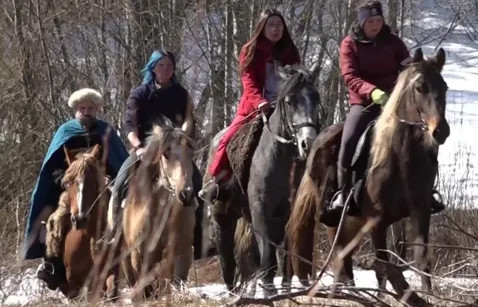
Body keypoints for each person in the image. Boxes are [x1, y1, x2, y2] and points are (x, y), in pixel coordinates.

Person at [320, 0, 446, 227]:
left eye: (379, 20)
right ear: (361, 23)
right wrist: (372, 91)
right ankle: (342, 193)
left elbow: (409, 68)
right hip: (365, 104)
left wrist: (419, 71)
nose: (376, 25)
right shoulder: (349, 44)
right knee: (349, 141)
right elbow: (349, 76)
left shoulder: (393, 42)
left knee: (426, 138)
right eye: (371, 21)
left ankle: (429, 190)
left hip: (395, 103)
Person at [21, 88, 128, 290]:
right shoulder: (65, 132)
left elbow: (118, 162)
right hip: (71, 187)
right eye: (82, 108)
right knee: (57, 219)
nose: (86, 112)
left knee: (123, 212)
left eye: (90, 108)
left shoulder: (105, 132)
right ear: (75, 111)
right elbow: (51, 166)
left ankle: (131, 258)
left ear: (97, 110)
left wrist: (113, 179)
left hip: (101, 187)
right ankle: (52, 265)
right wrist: (64, 179)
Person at [107, 49, 205, 258]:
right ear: (152, 68)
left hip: (175, 149)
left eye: (169, 65)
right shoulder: (140, 93)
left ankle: (200, 237)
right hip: (146, 149)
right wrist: (138, 146)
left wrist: (184, 132)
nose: (166, 69)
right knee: (119, 184)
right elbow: (130, 125)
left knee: (197, 183)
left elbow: (189, 118)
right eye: (161, 65)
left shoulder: (181, 93)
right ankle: (113, 236)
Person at [198, 8, 301, 202]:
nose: (275, 29)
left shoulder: (290, 50)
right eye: (271, 25)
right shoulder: (250, 49)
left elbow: (296, 79)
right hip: (255, 107)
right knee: (228, 139)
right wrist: (260, 102)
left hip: (285, 106)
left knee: (308, 133)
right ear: (262, 27)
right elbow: (249, 81)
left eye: (279, 25)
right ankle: (217, 179)